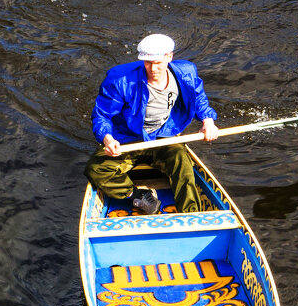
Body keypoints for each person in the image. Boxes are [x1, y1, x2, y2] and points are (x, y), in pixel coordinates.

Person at [88, 33, 219, 214]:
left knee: (183, 164)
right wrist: (108, 139)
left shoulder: (186, 72)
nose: (152, 68)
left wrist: (208, 121)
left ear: (169, 57)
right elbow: (102, 116)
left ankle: (192, 214)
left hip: (163, 136)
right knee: (95, 169)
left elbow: (198, 98)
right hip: (128, 138)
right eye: (148, 63)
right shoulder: (120, 80)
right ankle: (138, 196)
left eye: (157, 63)